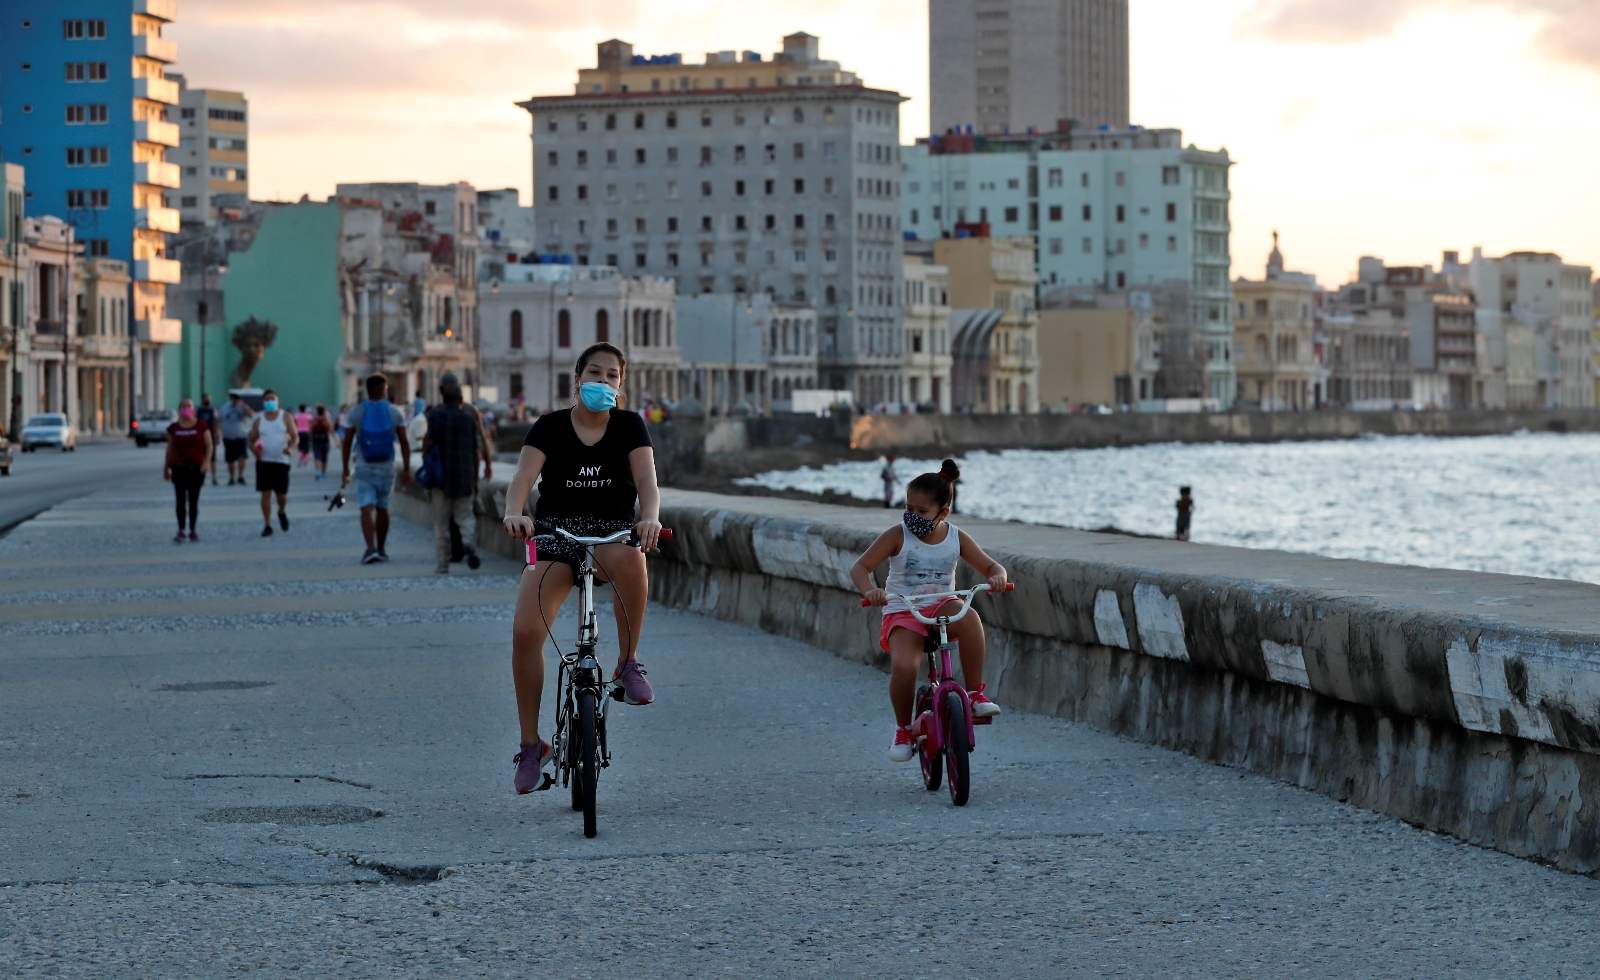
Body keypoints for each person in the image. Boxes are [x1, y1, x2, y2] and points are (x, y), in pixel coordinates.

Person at [502, 342, 662, 794]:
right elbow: (521, 481)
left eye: (612, 376)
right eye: (595, 372)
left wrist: (649, 517)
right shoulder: (550, 426)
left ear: (620, 385)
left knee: (634, 559)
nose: (603, 381)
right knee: (526, 632)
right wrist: (516, 512)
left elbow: (648, 483)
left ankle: (627, 663)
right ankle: (532, 744)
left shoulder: (630, 425)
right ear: (577, 379)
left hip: (610, 530)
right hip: (556, 532)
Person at [850, 459, 1008, 763]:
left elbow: (991, 565)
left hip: (940, 604)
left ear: (943, 513)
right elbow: (861, 567)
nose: (913, 517)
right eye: (909, 508)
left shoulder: (955, 538)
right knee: (906, 667)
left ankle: (974, 694)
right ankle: (903, 728)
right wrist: (870, 590)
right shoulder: (898, 535)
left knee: (971, 618)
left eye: (922, 512)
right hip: (904, 609)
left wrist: (997, 576)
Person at [423, 372, 491, 574]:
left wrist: (427, 461)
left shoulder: (435, 415)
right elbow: (476, 450)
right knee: (465, 517)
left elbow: (428, 443)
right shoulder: (469, 418)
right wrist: (478, 477)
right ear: (461, 399)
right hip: (464, 476)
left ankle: (443, 563)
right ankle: (468, 541)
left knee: (441, 523)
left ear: (442, 397)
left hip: (441, 477)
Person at [341, 374, 412, 564]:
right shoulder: (395, 412)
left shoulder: (356, 412)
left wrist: (345, 468)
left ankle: (370, 548)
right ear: (384, 390)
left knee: (366, 508)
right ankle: (381, 549)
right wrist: (406, 468)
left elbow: (347, 441)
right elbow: (404, 441)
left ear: (367, 390)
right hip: (386, 466)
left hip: (364, 466)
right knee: (383, 508)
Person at [164, 397, 214, 542]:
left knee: (193, 500)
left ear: (193, 408)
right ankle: (181, 530)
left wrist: (207, 462)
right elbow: (169, 448)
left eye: (189, 405)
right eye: (183, 406)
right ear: (180, 409)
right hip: (178, 469)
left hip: (196, 468)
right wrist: (166, 468)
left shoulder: (201, 425)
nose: (186, 408)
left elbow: (209, 444)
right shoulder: (174, 428)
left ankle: (193, 529)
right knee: (180, 500)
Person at [250, 389, 298, 537]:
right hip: (264, 461)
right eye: (267, 399)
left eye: (272, 398)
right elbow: (251, 438)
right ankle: (267, 524)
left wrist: (290, 448)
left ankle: (281, 511)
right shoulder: (259, 419)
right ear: (263, 402)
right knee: (265, 494)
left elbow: (296, 437)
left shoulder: (286, 417)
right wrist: (253, 449)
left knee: (281, 496)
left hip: (281, 461)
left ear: (277, 400)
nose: (270, 401)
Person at [217, 392, 253, 486]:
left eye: (234, 399)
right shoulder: (224, 408)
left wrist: (243, 405)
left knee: (242, 456)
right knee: (230, 459)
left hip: (241, 436)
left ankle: (240, 476)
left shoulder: (242, 408)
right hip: (228, 436)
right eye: (231, 399)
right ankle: (232, 477)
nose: (232, 401)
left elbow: (251, 414)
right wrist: (217, 432)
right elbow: (217, 420)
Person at [196, 394, 219, 486]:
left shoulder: (213, 410)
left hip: (211, 436)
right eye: (206, 399)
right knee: (201, 458)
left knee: (213, 458)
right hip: (200, 437)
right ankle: (202, 477)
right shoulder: (199, 411)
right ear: (202, 400)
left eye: (209, 399)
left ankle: (214, 477)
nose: (207, 401)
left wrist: (217, 434)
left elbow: (216, 422)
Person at [309, 403, 335, 480]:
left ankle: (317, 471)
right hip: (325, 440)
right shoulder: (327, 421)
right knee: (324, 457)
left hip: (316, 440)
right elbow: (332, 431)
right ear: (324, 412)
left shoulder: (314, 421)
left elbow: (309, 432)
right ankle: (323, 473)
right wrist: (337, 441)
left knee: (317, 456)